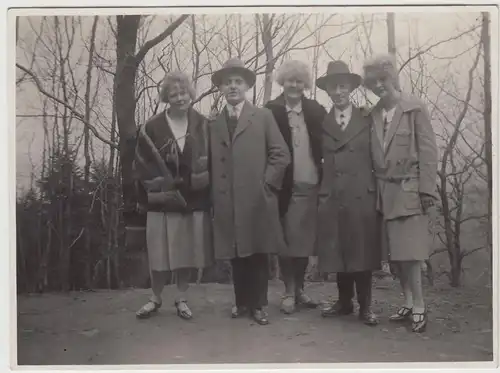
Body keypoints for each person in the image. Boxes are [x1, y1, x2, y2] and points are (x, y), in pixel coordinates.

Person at [209, 57, 291, 325]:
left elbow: (281, 154)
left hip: (256, 198)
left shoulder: (263, 116)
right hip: (227, 200)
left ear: (246, 86)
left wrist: (266, 184)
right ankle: (240, 302)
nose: (233, 87)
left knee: (257, 252)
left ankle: (258, 305)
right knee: (235, 254)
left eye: (238, 82)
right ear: (221, 88)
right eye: (227, 83)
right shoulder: (214, 123)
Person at [362, 54, 438, 333]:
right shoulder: (372, 115)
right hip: (384, 193)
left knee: (411, 253)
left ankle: (419, 305)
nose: (379, 86)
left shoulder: (414, 108)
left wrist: (427, 189)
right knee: (396, 255)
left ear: (392, 77)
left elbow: (429, 151)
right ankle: (407, 302)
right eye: (374, 83)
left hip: (410, 189)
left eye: (383, 79)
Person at [133, 71, 213, 320]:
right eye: (173, 94)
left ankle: (181, 298)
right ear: (166, 98)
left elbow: (213, 162)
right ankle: (155, 298)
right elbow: (141, 164)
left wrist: (202, 184)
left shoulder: (203, 124)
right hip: (162, 201)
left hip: (192, 200)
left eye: (183, 93)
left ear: (191, 94)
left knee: (185, 253)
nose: (180, 98)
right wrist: (158, 191)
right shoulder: (151, 128)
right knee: (159, 252)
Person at [316, 60, 382, 326]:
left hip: (361, 194)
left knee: (361, 251)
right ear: (328, 91)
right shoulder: (321, 122)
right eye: (334, 87)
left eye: (343, 86)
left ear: (352, 89)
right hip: (333, 194)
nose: (339, 92)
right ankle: (344, 302)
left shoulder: (368, 118)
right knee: (339, 250)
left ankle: (365, 306)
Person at [265, 60, 326, 314]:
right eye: (290, 80)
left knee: (304, 243)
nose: (294, 85)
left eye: (299, 81)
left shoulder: (315, 110)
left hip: (311, 183)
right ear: (283, 81)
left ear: (305, 84)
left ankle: (299, 290)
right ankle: (289, 291)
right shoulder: (271, 110)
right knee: (287, 242)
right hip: (284, 187)